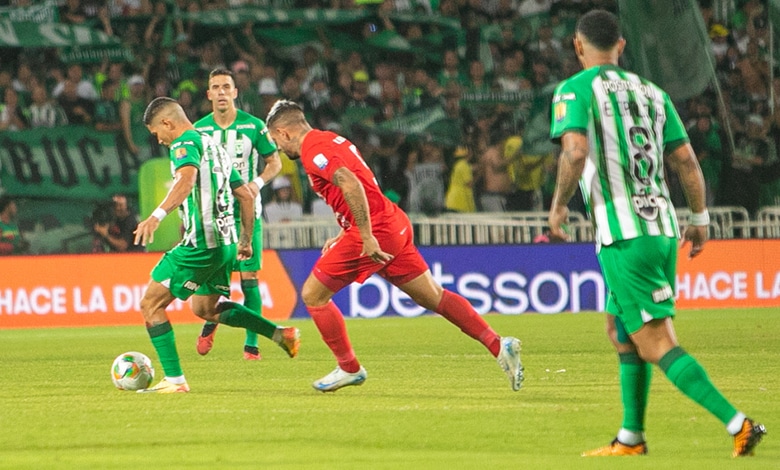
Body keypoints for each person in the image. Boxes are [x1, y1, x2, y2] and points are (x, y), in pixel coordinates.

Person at [547, 10, 766, 457]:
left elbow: (574, 152)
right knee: (620, 331)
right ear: (622, 47)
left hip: (625, 234)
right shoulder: (652, 93)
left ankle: (738, 423)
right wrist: (701, 218)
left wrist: (558, 206)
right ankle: (631, 437)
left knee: (656, 342)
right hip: (662, 226)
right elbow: (686, 160)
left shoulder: (574, 89)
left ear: (578, 45)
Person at [264, 99, 523, 393]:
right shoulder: (333, 139)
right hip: (391, 221)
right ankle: (498, 344)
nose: (279, 149)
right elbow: (360, 185)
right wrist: (345, 228)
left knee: (313, 295)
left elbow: (350, 184)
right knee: (433, 296)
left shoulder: (313, 151)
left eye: (275, 141)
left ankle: (349, 368)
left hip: (376, 229)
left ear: (284, 132)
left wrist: (364, 234)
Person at [132, 97, 299, 393]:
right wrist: (245, 239)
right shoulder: (213, 145)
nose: (159, 140)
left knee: (150, 304)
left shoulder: (183, 145)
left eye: (157, 132)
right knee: (206, 308)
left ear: (168, 123)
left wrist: (156, 217)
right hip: (225, 244)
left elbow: (185, 182)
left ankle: (175, 380)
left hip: (201, 244)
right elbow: (246, 195)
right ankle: (280, 334)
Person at [194, 68, 283, 361]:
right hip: (212, 214)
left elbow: (274, 162)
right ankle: (211, 320)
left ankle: (252, 344)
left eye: (226, 87)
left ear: (234, 92)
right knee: (214, 278)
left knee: (249, 277)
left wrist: (256, 184)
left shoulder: (253, 126)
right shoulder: (199, 130)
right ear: (208, 95)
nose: (221, 92)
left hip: (246, 212)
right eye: (215, 87)